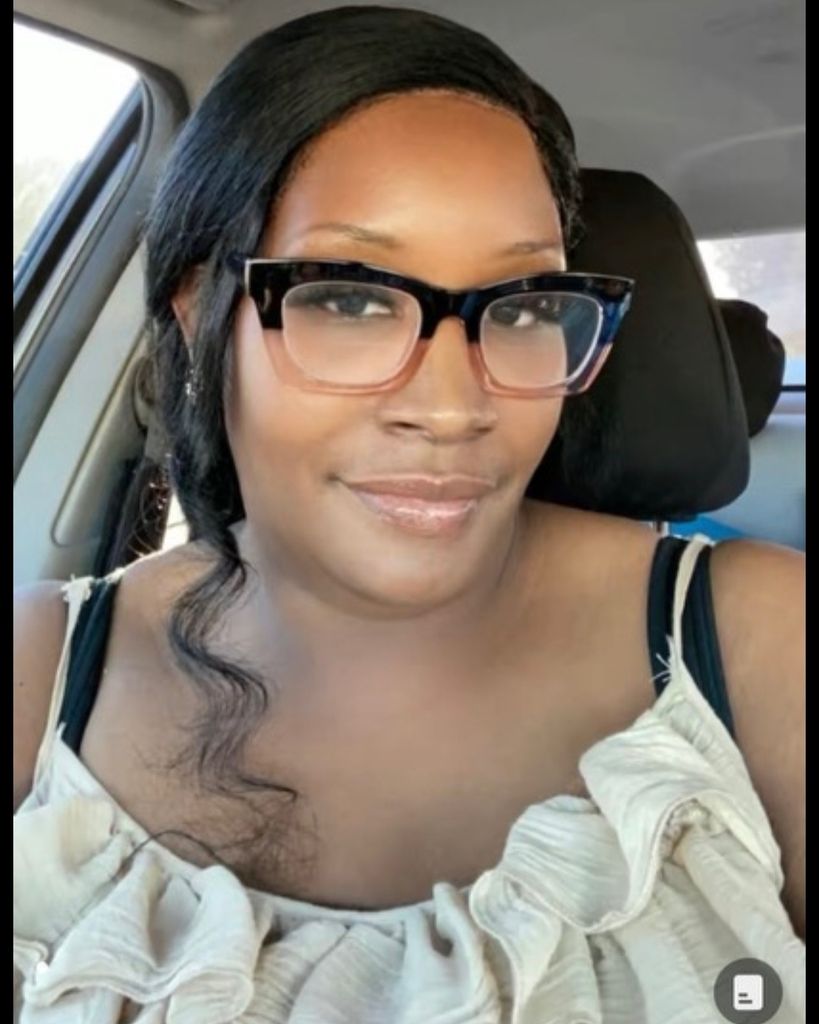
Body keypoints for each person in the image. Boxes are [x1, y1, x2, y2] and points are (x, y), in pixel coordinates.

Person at [14, 6, 804, 1021]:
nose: (450, 407)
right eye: (348, 298)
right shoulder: (41, 671)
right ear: (199, 311)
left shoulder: (762, 643)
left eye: (524, 305)